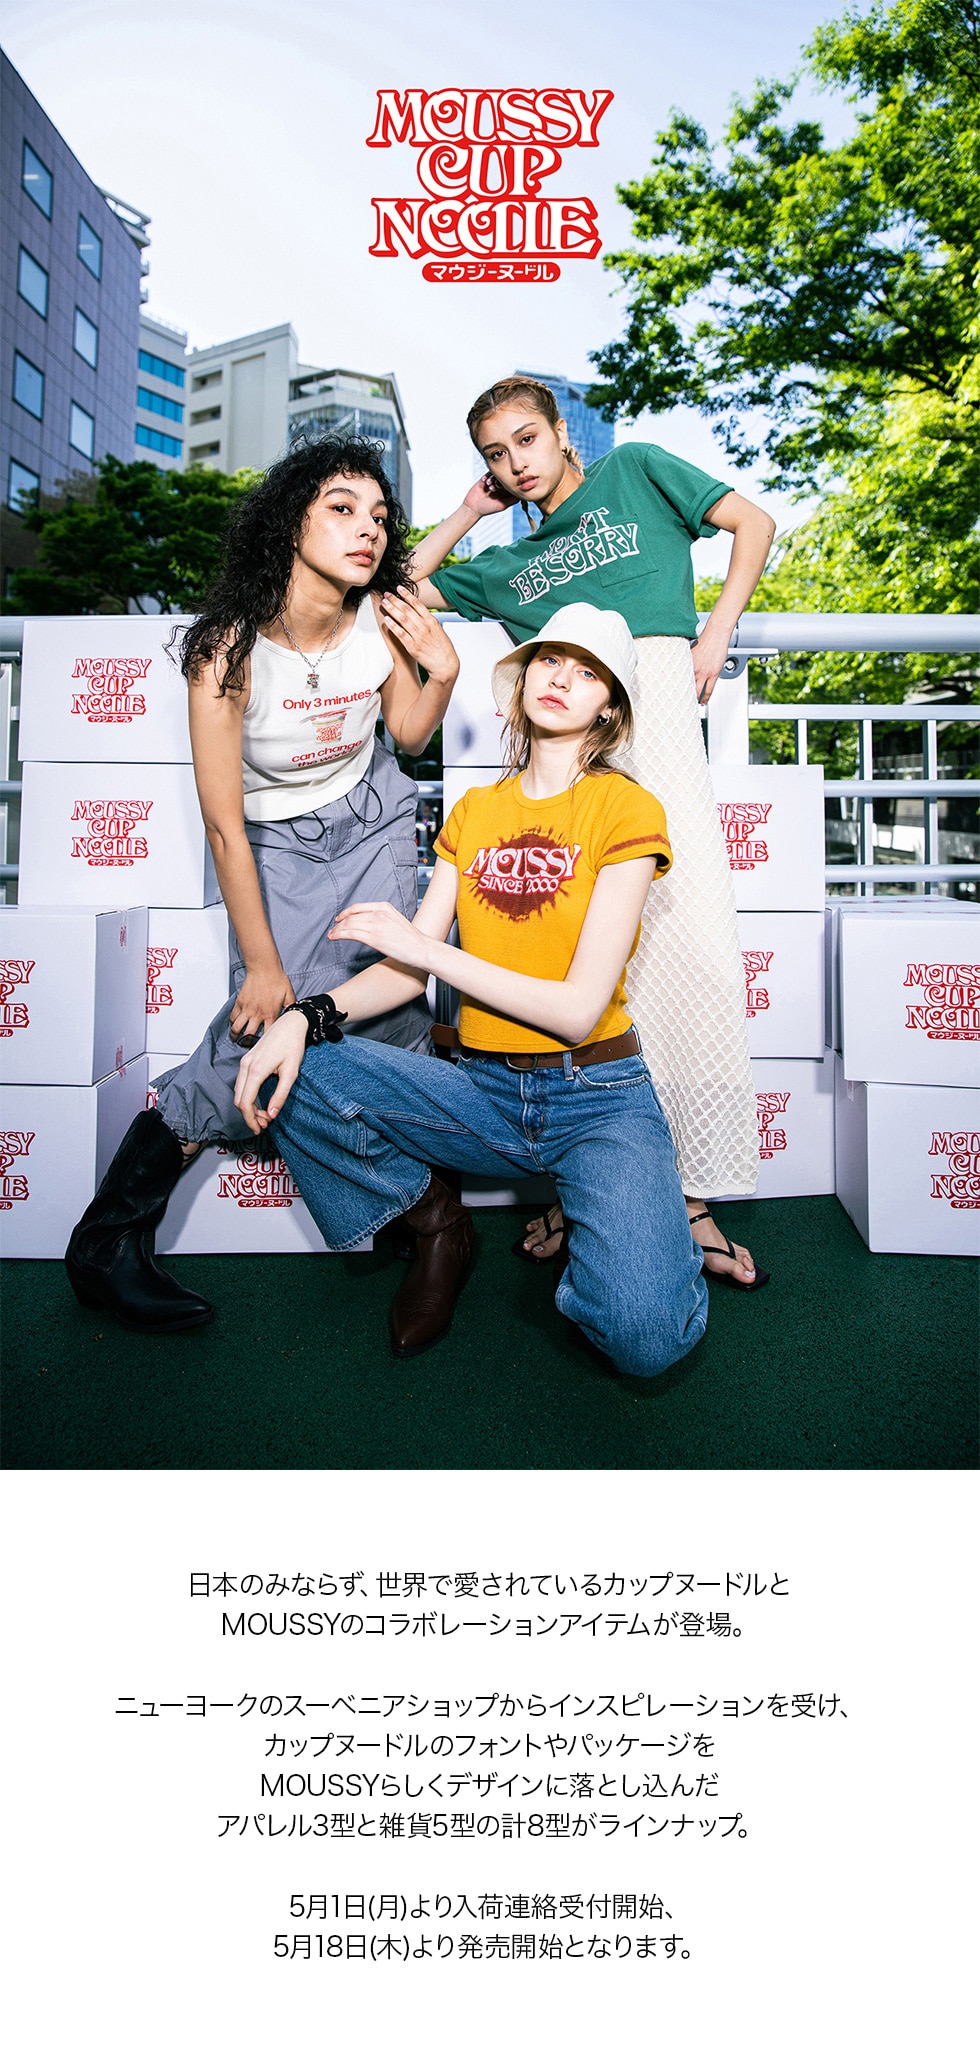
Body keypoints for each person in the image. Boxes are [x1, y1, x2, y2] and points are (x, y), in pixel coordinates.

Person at [233, 603, 708, 1378]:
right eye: (551, 660)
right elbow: (406, 970)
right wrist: (306, 1016)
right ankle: (438, 1223)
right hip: (484, 1093)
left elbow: (576, 1009)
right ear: (523, 679)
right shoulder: (476, 811)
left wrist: (426, 950)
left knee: (646, 1340)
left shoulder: (626, 808)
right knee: (290, 1062)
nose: (562, 678)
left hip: (597, 1094)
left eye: (588, 672)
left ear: (609, 707)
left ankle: (616, 1229)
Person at [65, 438, 460, 1334]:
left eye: (379, 515)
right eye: (341, 509)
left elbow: (406, 733)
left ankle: (430, 1221)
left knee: (393, 1010)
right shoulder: (226, 651)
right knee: (263, 1023)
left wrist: (442, 674)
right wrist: (263, 963)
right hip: (272, 842)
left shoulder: (383, 615)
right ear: (289, 523)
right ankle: (108, 1241)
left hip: (374, 817)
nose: (368, 529)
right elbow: (223, 827)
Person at [409, 376, 776, 1288]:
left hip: (664, 739)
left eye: (526, 440)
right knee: (600, 974)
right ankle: (597, 1186)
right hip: (582, 773)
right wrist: (468, 511)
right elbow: (405, 582)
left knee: (691, 959)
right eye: (495, 455)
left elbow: (754, 523)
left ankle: (687, 1194)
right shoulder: (508, 564)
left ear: (562, 432)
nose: (515, 464)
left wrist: (717, 630)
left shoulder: (636, 470)